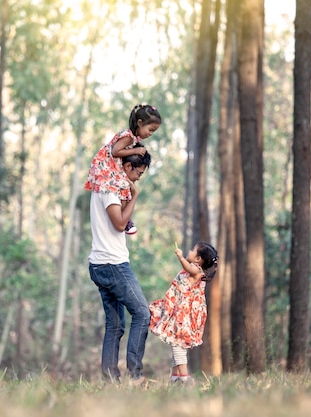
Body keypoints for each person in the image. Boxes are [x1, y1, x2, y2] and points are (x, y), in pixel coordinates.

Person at [88, 150, 152, 385]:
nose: (138, 178)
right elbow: (119, 223)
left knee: (115, 325)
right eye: (138, 173)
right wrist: (134, 196)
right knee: (142, 314)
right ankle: (135, 375)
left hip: (101, 263)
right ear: (126, 167)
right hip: (112, 264)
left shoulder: (105, 184)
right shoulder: (109, 188)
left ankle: (110, 381)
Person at [84, 104, 161, 234]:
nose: (150, 134)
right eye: (150, 129)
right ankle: (125, 220)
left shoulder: (132, 138)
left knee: (124, 186)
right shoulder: (129, 137)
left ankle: (126, 218)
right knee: (124, 185)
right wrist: (135, 150)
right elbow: (115, 151)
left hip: (113, 166)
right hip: (107, 167)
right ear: (140, 123)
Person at [149, 241, 218, 385]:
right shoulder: (195, 271)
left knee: (178, 345)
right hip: (178, 311)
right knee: (176, 343)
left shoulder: (196, 271)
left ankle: (185, 377)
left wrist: (180, 257)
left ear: (198, 259)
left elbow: (189, 268)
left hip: (183, 315)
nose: (189, 251)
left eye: (193, 250)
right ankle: (175, 376)